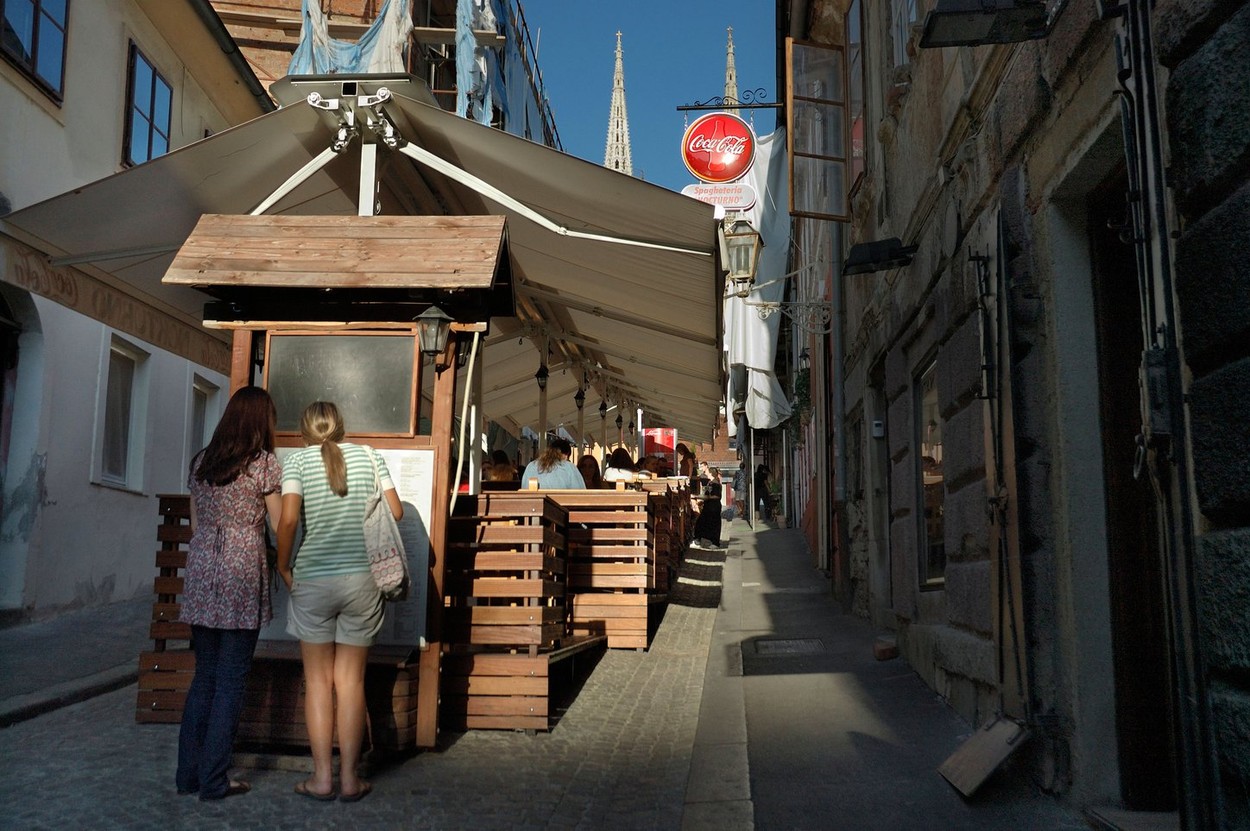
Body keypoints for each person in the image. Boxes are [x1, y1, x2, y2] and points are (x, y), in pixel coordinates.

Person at [276, 401, 402, 803]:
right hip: (364, 581)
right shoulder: (369, 456)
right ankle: (350, 779)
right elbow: (395, 511)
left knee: (317, 682)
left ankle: (321, 779)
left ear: (304, 431)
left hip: (312, 578)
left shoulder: (296, 463)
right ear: (342, 427)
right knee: (351, 681)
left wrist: (283, 567)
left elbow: (289, 519)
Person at [176, 386, 283, 801]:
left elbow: (194, 522)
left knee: (204, 676)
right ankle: (215, 780)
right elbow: (278, 523)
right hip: (240, 568)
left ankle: (188, 775)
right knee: (231, 681)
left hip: (203, 566)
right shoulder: (263, 465)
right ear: (260, 420)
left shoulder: (202, 461)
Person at [520, 436, 585, 489]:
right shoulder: (569, 467)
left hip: (535, 504)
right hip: (560, 504)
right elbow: (580, 493)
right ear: (566, 455)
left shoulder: (531, 466)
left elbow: (524, 488)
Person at [692, 462, 723, 547]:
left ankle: (715, 542)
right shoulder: (711, 482)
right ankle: (698, 539)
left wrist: (706, 498)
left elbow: (716, 496)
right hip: (708, 506)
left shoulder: (715, 483)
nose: (707, 474)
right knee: (702, 523)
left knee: (714, 524)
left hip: (714, 507)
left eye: (708, 472)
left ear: (711, 474)